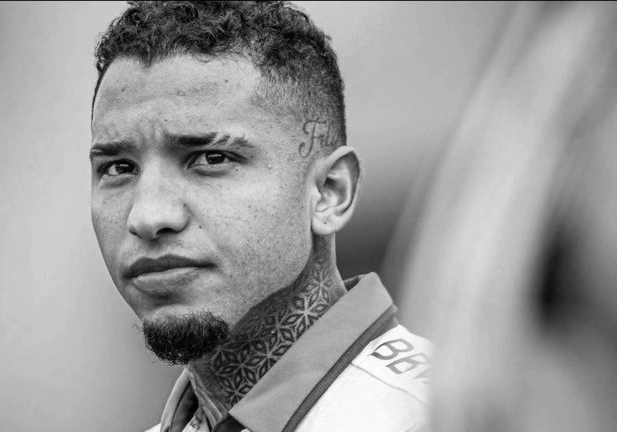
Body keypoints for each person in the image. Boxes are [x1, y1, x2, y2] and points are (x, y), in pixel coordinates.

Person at [89, 2, 430, 431]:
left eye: (211, 158)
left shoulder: (450, 414)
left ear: (330, 192)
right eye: (118, 168)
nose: (147, 216)